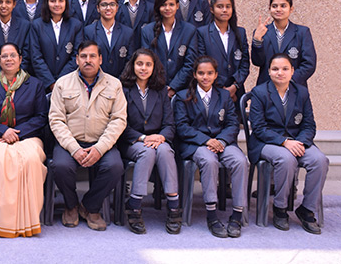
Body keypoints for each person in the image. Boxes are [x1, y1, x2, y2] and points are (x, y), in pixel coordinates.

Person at [49, 40, 127, 231]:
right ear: (77, 59)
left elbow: (119, 120)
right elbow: (56, 120)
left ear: (100, 59)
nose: (88, 60)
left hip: (101, 142)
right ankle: (71, 205)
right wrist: (74, 148)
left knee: (115, 166)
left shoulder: (114, 84)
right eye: (83, 56)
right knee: (60, 166)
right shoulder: (63, 83)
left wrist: (100, 148)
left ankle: (90, 207)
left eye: (93, 56)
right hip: (70, 142)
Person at [247, 54, 329, 234]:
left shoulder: (302, 92)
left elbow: (309, 124)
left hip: (297, 140)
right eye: (275, 69)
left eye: (285, 69)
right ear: (269, 72)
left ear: (292, 71)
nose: (280, 73)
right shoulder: (259, 93)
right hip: (267, 142)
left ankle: (307, 209)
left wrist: (300, 142)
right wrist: (284, 142)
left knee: (320, 160)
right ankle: (280, 208)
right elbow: (259, 128)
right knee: (286, 159)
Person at [0, 43, 49, 237]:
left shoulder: (35, 85)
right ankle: (1, 222)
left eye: (13, 55)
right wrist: (3, 131)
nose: (9, 59)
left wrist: (16, 133)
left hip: (27, 136)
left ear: (20, 59)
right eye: (4, 56)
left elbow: (41, 117)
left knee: (30, 159)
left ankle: (27, 220)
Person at [173, 56, 249, 238]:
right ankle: (212, 215)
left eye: (209, 73)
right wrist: (206, 141)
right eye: (201, 73)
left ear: (215, 75)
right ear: (194, 74)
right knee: (209, 161)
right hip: (196, 144)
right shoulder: (183, 96)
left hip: (223, 142)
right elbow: (182, 127)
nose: (205, 77)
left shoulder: (224, 95)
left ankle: (237, 214)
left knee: (240, 161)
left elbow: (233, 123)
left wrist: (221, 141)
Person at [119, 49, 181, 234]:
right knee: (147, 152)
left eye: (148, 64)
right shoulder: (123, 89)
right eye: (139, 64)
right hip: (131, 141)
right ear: (132, 65)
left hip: (158, 140)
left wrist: (161, 137)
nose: (143, 68)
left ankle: (173, 205)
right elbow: (120, 124)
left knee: (165, 150)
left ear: (154, 67)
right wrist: (144, 138)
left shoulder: (161, 90)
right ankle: (135, 205)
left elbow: (170, 124)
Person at [140, 0, 198, 97]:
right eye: (163, 5)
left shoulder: (189, 30)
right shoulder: (147, 31)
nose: (167, 8)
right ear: (158, 7)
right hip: (155, 89)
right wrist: (161, 87)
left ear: (177, 6)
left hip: (182, 91)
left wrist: (174, 86)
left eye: (171, 4)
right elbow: (146, 61)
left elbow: (190, 63)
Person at [251, 0, 316, 87]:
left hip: (294, 87)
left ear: (291, 9)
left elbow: (309, 64)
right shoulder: (261, 32)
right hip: (266, 88)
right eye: (274, 6)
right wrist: (257, 40)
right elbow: (257, 62)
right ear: (269, 9)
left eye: (283, 6)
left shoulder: (302, 32)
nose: (278, 9)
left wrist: (289, 80)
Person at [197, 0, 249, 103]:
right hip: (212, 91)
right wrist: (222, 88)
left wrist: (234, 86)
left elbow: (245, 64)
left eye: (228, 6)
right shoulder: (203, 33)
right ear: (212, 9)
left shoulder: (240, 33)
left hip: (236, 93)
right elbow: (201, 62)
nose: (224, 10)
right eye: (220, 6)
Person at [29, 0, 83, 92]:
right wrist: (50, 83)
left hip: (69, 84)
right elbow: (36, 57)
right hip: (44, 85)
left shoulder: (75, 25)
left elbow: (77, 55)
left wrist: (61, 81)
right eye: (53, 1)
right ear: (47, 3)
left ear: (66, 3)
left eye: (61, 1)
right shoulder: (37, 25)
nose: (57, 4)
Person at [83, 0, 134, 78]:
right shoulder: (89, 31)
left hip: (121, 81)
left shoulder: (127, 32)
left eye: (112, 4)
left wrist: (119, 81)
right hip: (96, 80)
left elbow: (130, 61)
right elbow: (88, 59)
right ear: (98, 8)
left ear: (117, 7)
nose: (108, 8)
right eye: (104, 5)